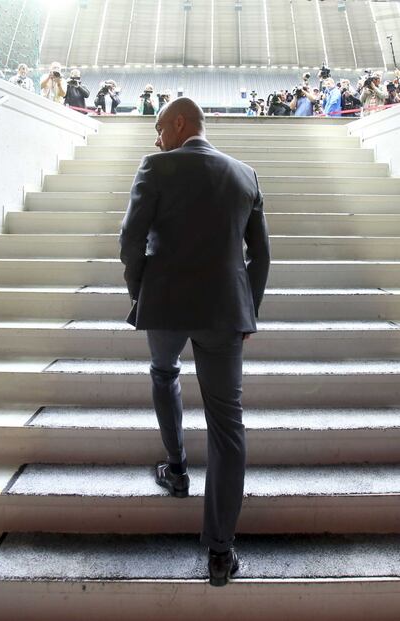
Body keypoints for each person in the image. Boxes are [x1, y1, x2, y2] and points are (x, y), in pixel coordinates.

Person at [120, 97, 270, 587]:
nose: (155, 136)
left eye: (159, 126)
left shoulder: (156, 167)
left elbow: (129, 240)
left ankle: (178, 468)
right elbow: (261, 255)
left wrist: (140, 293)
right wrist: (249, 311)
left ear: (179, 123)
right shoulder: (244, 174)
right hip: (225, 311)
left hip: (165, 304)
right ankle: (221, 553)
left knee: (164, 373)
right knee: (228, 424)